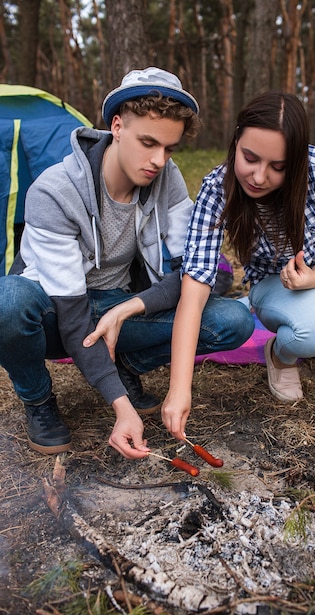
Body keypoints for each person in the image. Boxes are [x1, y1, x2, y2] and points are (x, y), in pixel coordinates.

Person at [0, 67, 254, 459]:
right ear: (117, 126)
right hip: (54, 314)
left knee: (232, 320)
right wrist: (121, 407)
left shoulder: (166, 178)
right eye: (148, 142)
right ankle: (37, 399)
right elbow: (71, 314)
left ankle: (126, 366)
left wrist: (130, 307)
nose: (158, 160)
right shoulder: (54, 191)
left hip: (120, 306)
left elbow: (198, 273)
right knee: (8, 302)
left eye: (169, 148)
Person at [162, 90, 315, 469]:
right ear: (235, 142)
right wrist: (178, 390)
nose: (259, 176)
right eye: (249, 158)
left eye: (277, 166)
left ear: (296, 160)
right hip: (273, 287)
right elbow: (193, 293)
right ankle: (280, 354)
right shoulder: (217, 189)